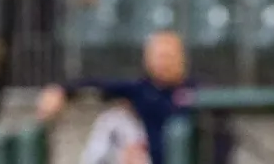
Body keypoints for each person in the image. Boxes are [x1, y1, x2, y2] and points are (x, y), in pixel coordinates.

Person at [39, 32, 211, 164]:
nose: (163, 63)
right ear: (147, 60)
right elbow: (96, 84)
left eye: (168, 56)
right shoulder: (141, 88)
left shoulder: (199, 91)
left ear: (182, 58)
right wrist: (61, 90)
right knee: (113, 120)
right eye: (158, 57)